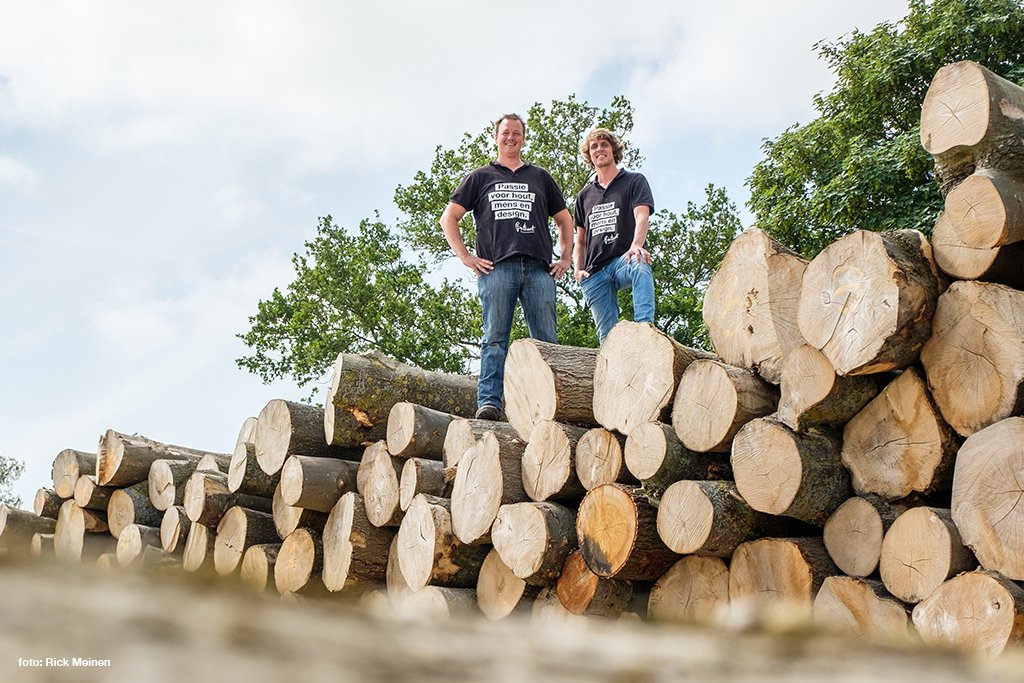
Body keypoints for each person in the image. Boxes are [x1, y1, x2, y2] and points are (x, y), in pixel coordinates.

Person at [440, 114, 574, 421]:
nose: (511, 137)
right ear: (496, 137)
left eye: (516, 133)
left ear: (523, 138)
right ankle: (490, 402)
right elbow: (449, 218)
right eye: (505, 133)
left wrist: (565, 259)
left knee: (546, 341)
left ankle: (552, 406)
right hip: (497, 268)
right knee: (494, 338)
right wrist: (465, 257)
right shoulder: (480, 177)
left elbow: (565, 219)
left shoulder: (540, 176)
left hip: (539, 269)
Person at [573, 127, 655, 344]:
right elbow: (580, 241)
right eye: (594, 147)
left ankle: (645, 330)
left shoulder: (634, 181)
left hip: (623, 260)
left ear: (613, 150)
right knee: (608, 341)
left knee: (640, 261)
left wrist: (637, 244)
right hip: (595, 273)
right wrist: (578, 269)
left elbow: (642, 216)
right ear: (589, 155)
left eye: (604, 145)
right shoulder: (583, 196)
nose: (599, 149)